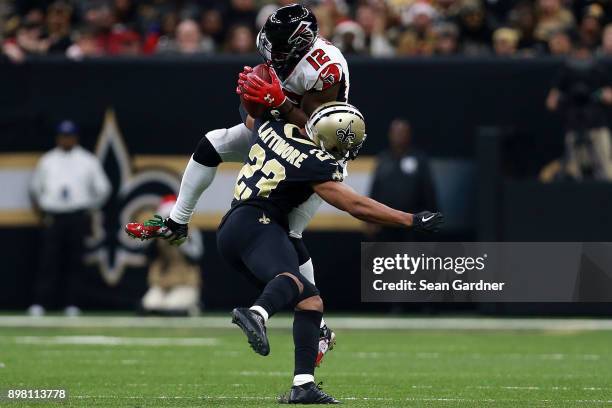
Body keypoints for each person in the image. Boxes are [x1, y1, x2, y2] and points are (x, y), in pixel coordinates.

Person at [126, 102, 444, 403]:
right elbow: (355, 205)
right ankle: (257, 313)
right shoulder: (316, 162)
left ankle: (302, 385)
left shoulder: (272, 126)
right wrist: (411, 219)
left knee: (311, 301)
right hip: (259, 225)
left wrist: (271, 98)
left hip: (239, 228)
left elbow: (250, 114)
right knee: (289, 279)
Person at [145, 4, 351, 366]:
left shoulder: (325, 70)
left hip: (315, 147)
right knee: (213, 142)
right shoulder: (281, 50)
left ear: (301, 44)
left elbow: (316, 131)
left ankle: (317, 325)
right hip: (277, 129)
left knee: (288, 232)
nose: (270, 51)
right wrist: (257, 105)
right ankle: (178, 220)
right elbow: (256, 119)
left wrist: (280, 102)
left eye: (279, 46)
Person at [28, 120, 111, 316]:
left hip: (77, 217)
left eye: (70, 135)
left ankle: (72, 303)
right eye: (63, 136)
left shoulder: (87, 160)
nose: (66, 139)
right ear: (58, 137)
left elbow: (103, 189)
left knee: (75, 261)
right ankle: (41, 302)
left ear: (76, 137)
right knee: (48, 261)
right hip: (54, 217)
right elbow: (35, 189)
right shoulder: (47, 160)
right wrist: (44, 208)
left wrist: (89, 207)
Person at [546, 43, 612, 180]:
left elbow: (609, 97)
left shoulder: (598, 69)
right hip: (574, 125)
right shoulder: (565, 71)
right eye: (578, 51)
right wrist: (564, 98)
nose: (581, 55)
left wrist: (597, 95)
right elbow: (551, 103)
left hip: (597, 125)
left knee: (605, 169)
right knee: (575, 171)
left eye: (584, 52)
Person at [367, 119, 439, 242]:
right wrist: (369, 220)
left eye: (402, 132)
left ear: (409, 135)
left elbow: (428, 192)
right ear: (390, 135)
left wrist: (430, 219)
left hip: (412, 224)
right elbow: (375, 190)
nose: (399, 135)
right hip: (386, 223)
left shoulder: (419, 159)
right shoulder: (383, 159)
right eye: (396, 132)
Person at [141, 195, 203, 316]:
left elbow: (196, 256)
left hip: (185, 283)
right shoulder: (158, 235)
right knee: (150, 306)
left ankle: (193, 307)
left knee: (173, 307)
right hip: (163, 284)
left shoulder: (191, 232)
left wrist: (181, 241)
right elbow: (147, 256)